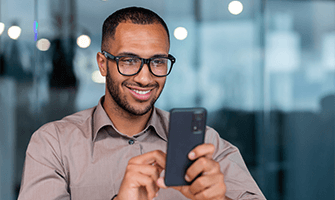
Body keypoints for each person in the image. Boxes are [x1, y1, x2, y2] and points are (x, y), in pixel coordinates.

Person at [18, 7, 265, 200]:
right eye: (128, 61)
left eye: (158, 62)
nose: (145, 78)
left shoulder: (206, 145)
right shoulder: (53, 144)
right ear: (103, 63)